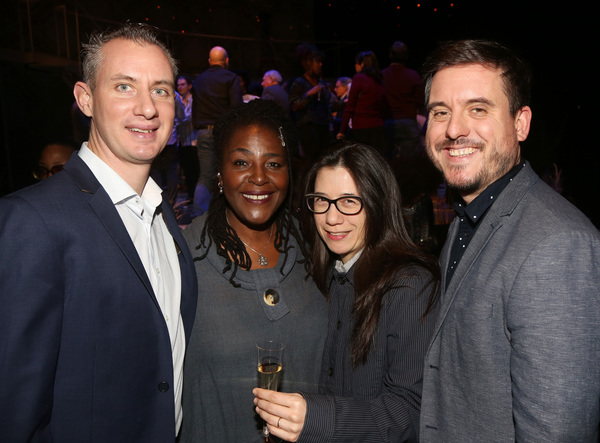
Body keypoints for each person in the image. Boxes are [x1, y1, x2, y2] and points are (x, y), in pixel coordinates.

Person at [0, 23, 198, 442]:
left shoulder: (163, 217)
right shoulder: (32, 220)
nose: (148, 108)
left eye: (161, 90)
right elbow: (14, 409)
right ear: (85, 99)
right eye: (125, 87)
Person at [419, 39, 600, 441]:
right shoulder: (469, 216)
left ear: (521, 123)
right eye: (440, 112)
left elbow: (557, 433)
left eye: (478, 109)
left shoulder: (557, 244)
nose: (453, 130)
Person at [254, 141, 441, 442]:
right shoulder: (325, 276)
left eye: (349, 201)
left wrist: (316, 417)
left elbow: (412, 412)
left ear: (378, 203)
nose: (331, 218)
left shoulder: (409, 285)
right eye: (322, 201)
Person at [179, 99, 328, 443]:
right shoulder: (182, 257)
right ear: (219, 173)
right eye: (242, 162)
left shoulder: (319, 245)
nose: (259, 177)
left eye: (273, 163)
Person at [191, 45, 243, 213]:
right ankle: (230, 214)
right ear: (226, 61)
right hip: (225, 132)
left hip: (204, 131)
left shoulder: (199, 80)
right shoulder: (231, 78)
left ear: (209, 61)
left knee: (205, 176)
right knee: (229, 174)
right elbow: (237, 109)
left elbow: (195, 109)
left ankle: (198, 217)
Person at [337, 51, 388, 155]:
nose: (355, 66)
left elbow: (350, 107)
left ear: (362, 64)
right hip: (378, 128)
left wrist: (342, 130)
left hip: (362, 128)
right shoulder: (380, 80)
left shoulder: (359, 78)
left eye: (356, 63)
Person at [289, 43, 332, 162]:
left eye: (320, 62)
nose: (320, 64)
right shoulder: (299, 82)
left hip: (322, 126)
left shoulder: (320, 82)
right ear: (308, 63)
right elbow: (293, 105)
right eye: (317, 62)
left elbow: (328, 106)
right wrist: (308, 94)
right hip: (308, 128)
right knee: (311, 161)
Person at [382, 41, 425, 158]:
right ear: (406, 56)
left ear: (390, 55)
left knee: (387, 160)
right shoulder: (413, 75)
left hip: (387, 121)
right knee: (409, 162)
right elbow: (420, 100)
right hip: (407, 121)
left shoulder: (382, 75)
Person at [176, 74, 199, 202]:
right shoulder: (177, 99)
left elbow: (189, 118)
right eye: (178, 85)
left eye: (183, 84)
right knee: (187, 172)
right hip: (181, 141)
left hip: (193, 140)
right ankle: (191, 196)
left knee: (195, 170)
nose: (180, 87)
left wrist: (177, 121)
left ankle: (196, 197)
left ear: (189, 86)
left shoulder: (193, 100)